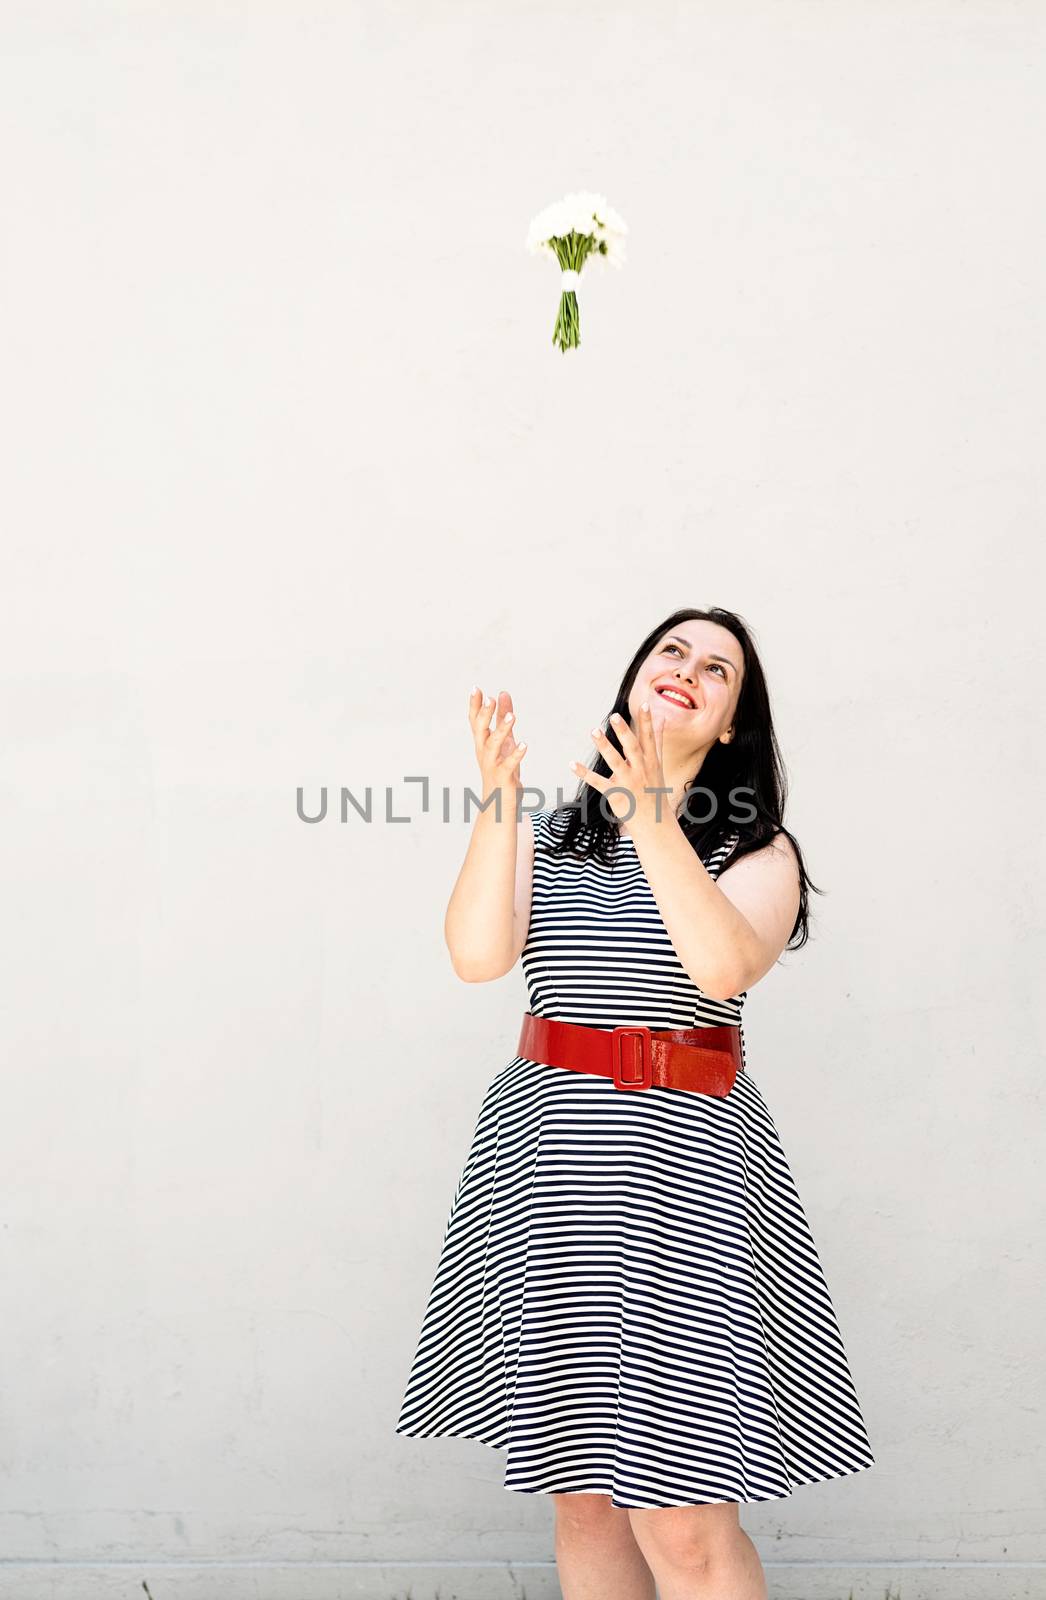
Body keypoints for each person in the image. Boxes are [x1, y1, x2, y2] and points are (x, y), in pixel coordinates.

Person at [395, 606, 875, 1600]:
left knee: (684, 1519)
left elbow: (717, 966)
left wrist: (656, 818)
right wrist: (498, 801)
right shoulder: (547, 830)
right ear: (634, 678)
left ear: (733, 723)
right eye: (671, 652)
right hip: (546, 1165)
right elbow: (476, 955)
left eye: (716, 669)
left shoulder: (758, 852)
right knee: (582, 1498)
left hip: (686, 1171)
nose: (687, 670)